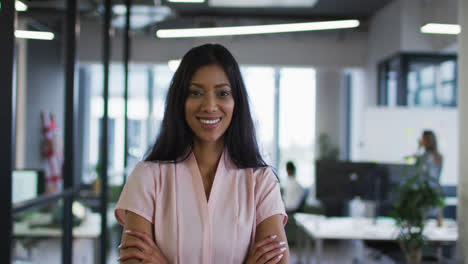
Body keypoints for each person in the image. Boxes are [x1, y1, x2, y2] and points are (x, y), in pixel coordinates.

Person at [114, 44, 289, 264]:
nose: (209, 105)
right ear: (181, 101)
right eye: (196, 92)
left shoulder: (261, 181)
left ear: (236, 102)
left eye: (222, 93)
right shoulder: (147, 177)